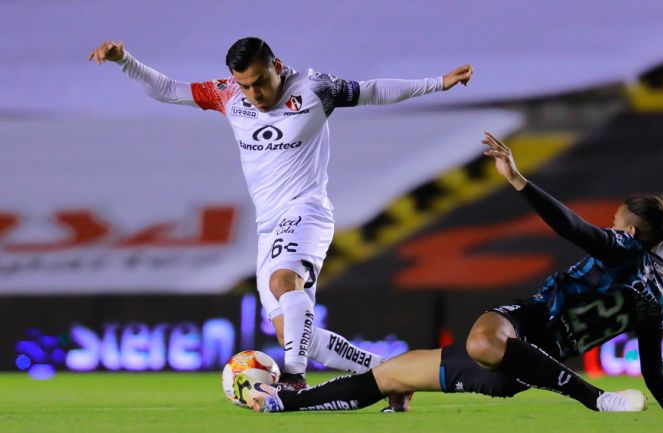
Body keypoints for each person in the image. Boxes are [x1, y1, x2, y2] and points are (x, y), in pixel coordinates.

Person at [88, 38, 473, 399]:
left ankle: (293, 377)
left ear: (277, 66)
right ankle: (394, 376)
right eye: (245, 86)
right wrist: (125, 61)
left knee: (282, 282)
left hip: (307, 211)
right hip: (267, 225)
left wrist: (438, 83)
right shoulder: (226, 94)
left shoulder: (315, 87)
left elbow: (372, 90)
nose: (254, 95)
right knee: (298, 333)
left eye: (260, 82)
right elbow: (169, 90)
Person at [239, 131, 663, 413]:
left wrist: (518, 180)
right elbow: (652, 359)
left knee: (482, 340)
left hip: (531, 328)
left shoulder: (622, 246)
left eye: (615, 223)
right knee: (394, 376)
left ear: (630, 228)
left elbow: (573, 228)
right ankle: (284, 402)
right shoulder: (660, 291)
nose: (610, 227)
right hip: (536, 360)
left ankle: (596, 399)